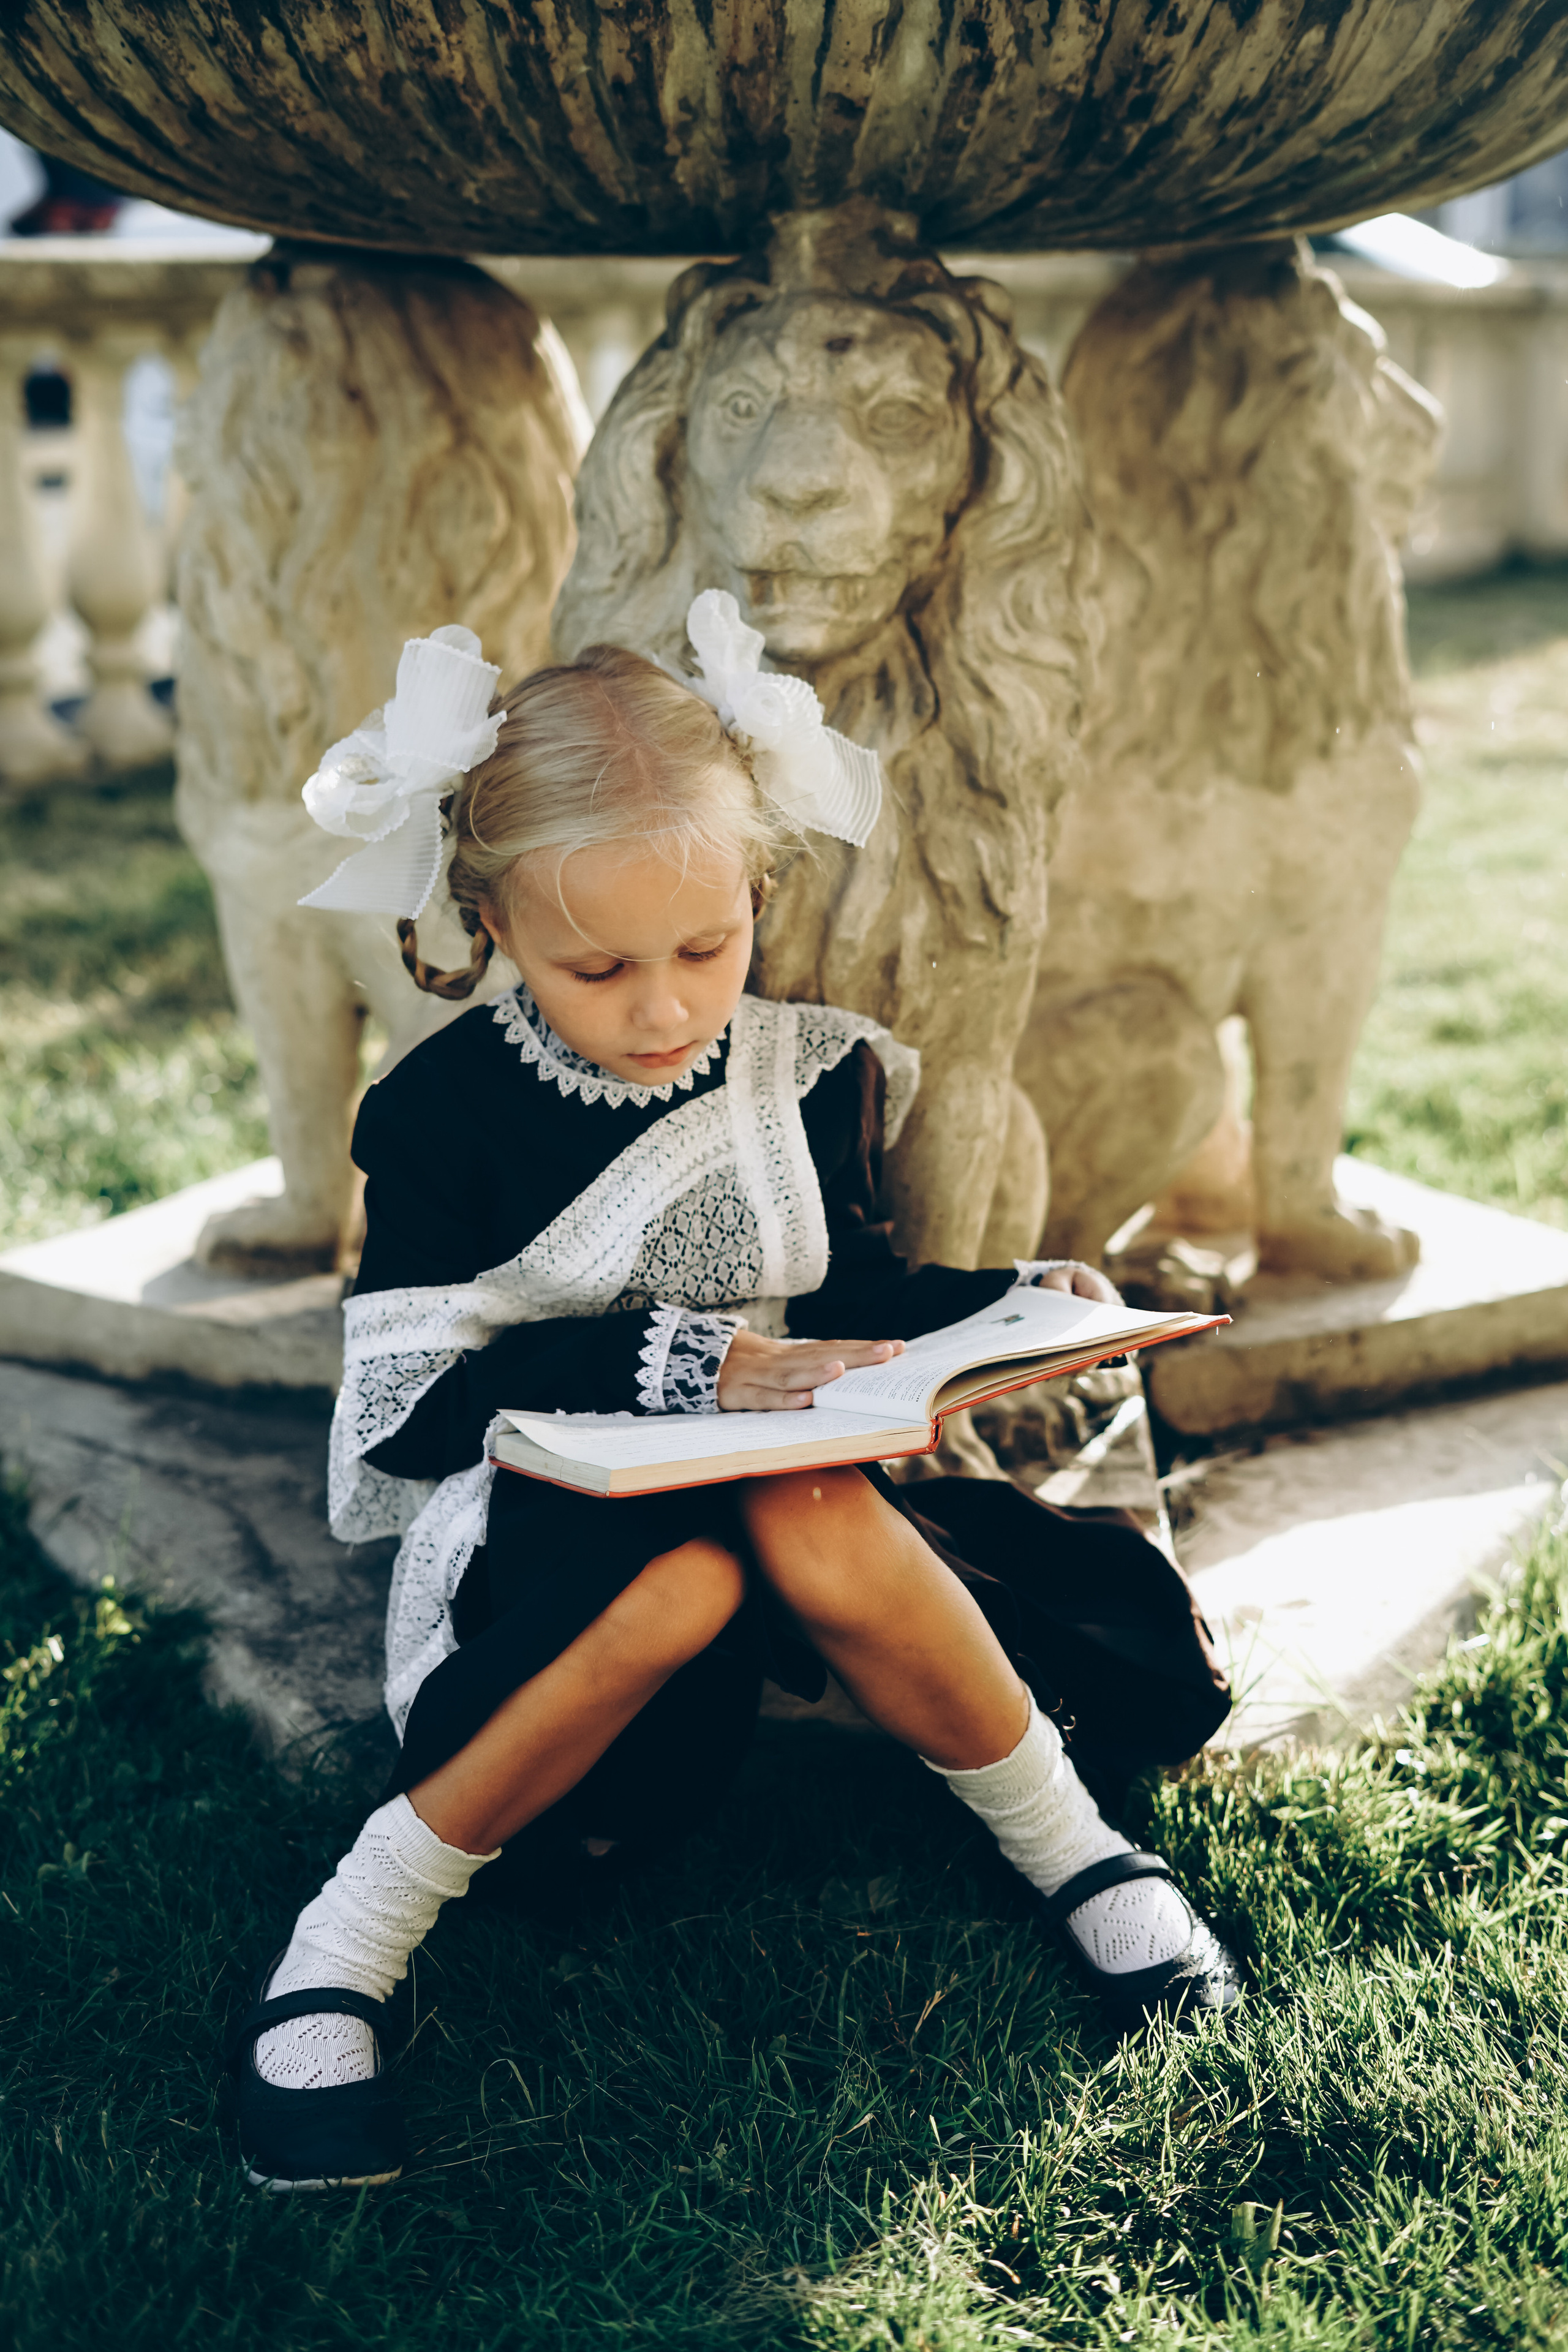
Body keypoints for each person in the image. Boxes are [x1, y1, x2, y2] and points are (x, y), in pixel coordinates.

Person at [228, 594, 1237, 2192]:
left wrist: (1013, 1300)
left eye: (710, 946)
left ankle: (1081, 1859)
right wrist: (689, 1361)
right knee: (695, 1556)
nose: (667, 1004)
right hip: (559, 1551)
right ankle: (343, 1947)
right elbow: (413, 1407)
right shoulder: (438, 1118)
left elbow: (848, 1303)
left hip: (808, 1509)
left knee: (809, 1500)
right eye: (600, 963)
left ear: (761, 890)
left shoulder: (809, 1073)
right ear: (488, 924)